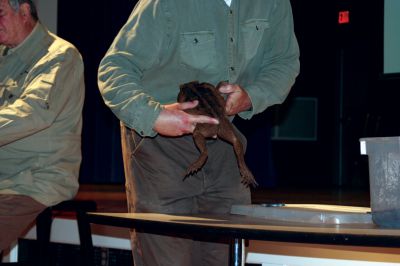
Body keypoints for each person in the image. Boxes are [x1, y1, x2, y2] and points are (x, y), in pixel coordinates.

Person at [98, 0, 299, 265]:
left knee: (224, 255)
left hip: (224, 141)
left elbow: (283, 62)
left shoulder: (272, 4)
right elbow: (114, 68)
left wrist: (251, 96)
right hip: (161, 148)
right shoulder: (163, 4)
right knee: (166, 255)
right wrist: (155, 116)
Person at [0, 0, 85, 253]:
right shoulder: (4, 56)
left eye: (0, 14)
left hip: (32, 181)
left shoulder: (60, 55)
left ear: (24, 11)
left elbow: (33, 112)